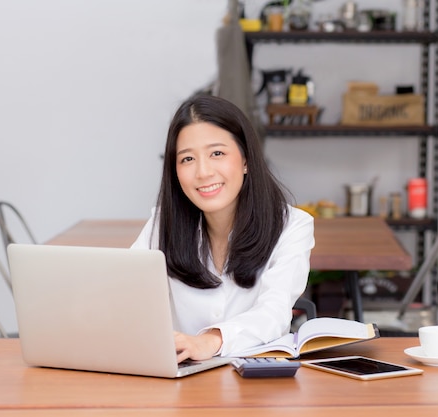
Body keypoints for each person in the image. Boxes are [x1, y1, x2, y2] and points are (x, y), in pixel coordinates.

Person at [131, 95, 314, 362]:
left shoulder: (291, 226)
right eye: (187, 159)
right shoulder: (162, 225)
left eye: (217, 153)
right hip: (181, 382)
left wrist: (210, 341)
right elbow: (126, 297)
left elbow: (273, 313)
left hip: (259, 384)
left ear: (245, 160)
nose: (203, 172)